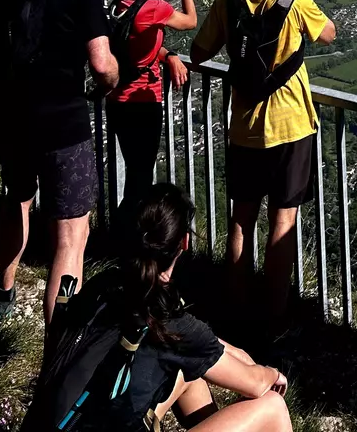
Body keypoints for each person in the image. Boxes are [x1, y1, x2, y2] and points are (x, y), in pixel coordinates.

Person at [20, 183, 294, 432]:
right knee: (272, 406)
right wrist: (273, 374)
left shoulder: (105, 284)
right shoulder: (169, 322)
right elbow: (255, 384)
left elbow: (201, 345)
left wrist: (237, 354)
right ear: (184, 242)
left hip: (50, 423)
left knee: (188, 375)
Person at [188, 0, 335, 329]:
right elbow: (328, 35)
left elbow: (199, 52)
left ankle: (235, 306)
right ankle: (274, 314)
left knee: (242, 219)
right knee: (283, 220)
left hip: (245, 126)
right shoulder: (295, 0)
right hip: (291, 126)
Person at [0, 0, 121, 326]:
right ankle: (59, 347)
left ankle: (4, 290)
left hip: (10, 116)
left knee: (16, 200)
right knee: (71, 232)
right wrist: (108, 84)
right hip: (62, 121)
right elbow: (101, 63)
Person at [108, 0, 200, 197]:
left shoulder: (118, 4)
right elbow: (191, 21)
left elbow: (136, 45)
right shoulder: (154, 8)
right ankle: (134, 221)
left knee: (134, 172)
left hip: (116, 99)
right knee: (140, 178)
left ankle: (129, 219)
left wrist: (168, 55)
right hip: (142, 100)